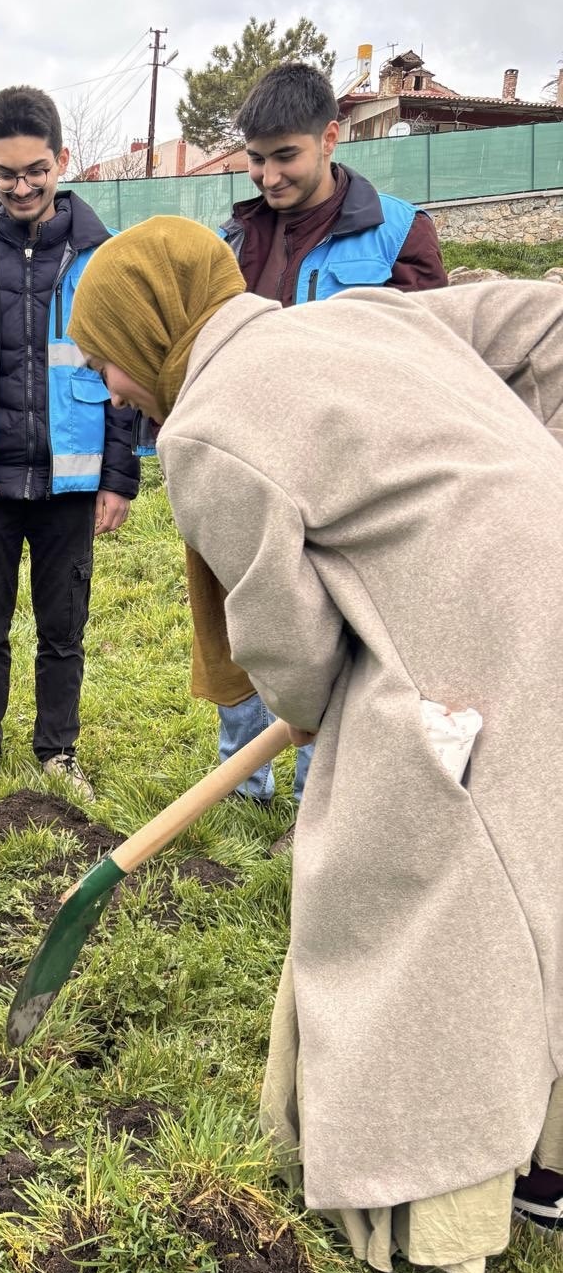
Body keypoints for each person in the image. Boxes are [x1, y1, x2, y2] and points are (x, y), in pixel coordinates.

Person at [68, 214, 563, 1273]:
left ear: (150, 329)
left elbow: (290, 654)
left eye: (103, 356)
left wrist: (308, 695)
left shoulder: (206, 428)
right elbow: (547, 321)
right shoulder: (359, 315)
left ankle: (435, 1204)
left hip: (469, 657)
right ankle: (547, 1160)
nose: (108, 388)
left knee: (398, 910)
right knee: (546, 876)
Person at [202, 62, 447, 819]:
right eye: (256, 159)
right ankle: (243, 787)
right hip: (253, 467)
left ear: (331, 138)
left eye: (286, 156)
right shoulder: (233, 239)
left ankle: (320, 801)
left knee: (334, 636)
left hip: (350, 477)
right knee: (248, 623)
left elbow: (429, 364)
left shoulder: (399, 233)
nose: (269, 175)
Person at [0, 86, 138, 802]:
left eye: (36, 171)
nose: (21, 187)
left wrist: (119, 477)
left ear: (61, 161)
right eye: (7, 173)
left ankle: (57, 752)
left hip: (72, 482)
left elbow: (125, 375)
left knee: (63, 627)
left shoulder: (105, 257)